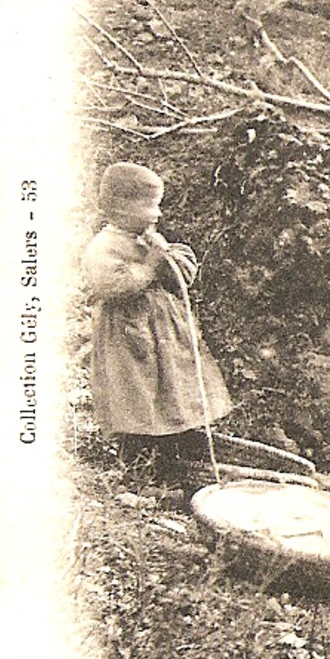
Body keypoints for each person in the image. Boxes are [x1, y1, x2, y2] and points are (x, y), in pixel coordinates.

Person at [81, 161, 233, 481]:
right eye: (150, 206)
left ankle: (179, 448)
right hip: (130, 335)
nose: (157, 214)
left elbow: (182, 280)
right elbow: (111, 285)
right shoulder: (104, 246)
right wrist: (149, 266)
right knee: (137, 390)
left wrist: (168, 260)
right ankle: (139, 463)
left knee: (175, 384)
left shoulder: (150, 239)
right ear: (120, 206)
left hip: (167, 331)